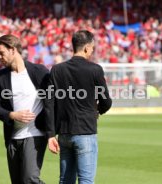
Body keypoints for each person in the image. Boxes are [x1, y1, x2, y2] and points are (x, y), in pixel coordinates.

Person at [46, 30, 112, 184]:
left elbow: (48, 103)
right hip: (85, 131)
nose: (93, 51)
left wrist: (50, 135)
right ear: (87, 48)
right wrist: (97, 111)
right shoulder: (95, 69)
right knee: (86, 180)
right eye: (93, 48)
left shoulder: (56, 70)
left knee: (65, 180)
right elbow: (106, 102)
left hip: (64, 133)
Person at [0, 34, 49, 184]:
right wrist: (12, 115)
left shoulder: (39, 71)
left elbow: (53, 101)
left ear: (13, 50)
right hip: (12, 138)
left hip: (35, 134)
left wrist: (52, 133)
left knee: (30, 179)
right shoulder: (1, 77)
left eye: (1, 53)